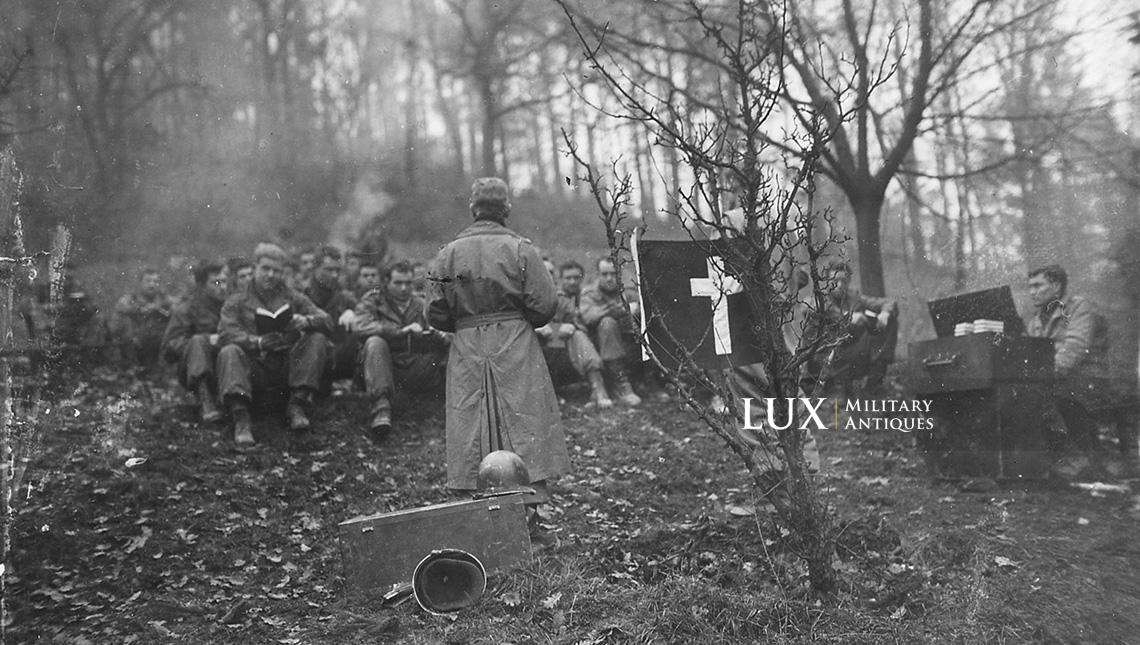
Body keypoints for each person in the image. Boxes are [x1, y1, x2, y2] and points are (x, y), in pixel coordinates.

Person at [428, 177, 570, 534]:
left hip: (467, 347)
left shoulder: (447, 254)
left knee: (470, 426)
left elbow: (434, 311)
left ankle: (475, 521)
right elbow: (546, 304)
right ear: (506, 208)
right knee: (523, 424)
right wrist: (518, 319)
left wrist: (466, 323)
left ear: (473, 209)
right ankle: (529, 522)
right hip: (514, 344)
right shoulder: (521, 249)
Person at [217, 243, 333, 446]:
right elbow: (226, 333)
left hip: (286, 370)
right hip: (254, 371)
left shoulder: (292, 295)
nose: (271, 275)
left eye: (277, 271)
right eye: (266, 269)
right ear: (254, 268)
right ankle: (241, 418)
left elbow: (326, 319)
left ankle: (297, 405)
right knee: (229, 351)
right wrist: (257, 342)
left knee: (317, 339)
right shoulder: (236, 300)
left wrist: (306, 321)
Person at [1025, 264, 1123, 473]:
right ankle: (1062, 459)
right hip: (1061, 380)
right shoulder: (1035, 323)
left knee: (1041, 395)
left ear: (1056, 285)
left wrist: (1043, 377)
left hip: (1088, 379)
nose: (1032, 292)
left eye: (1038, 285)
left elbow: (1074, 349)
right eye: (1030, 287)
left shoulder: (1079, 308)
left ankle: (1075, 459)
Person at [355, 260, 449, 439]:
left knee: (450, 344)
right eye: (398, 283)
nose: (404, 288)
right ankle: (381, 409)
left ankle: (450, 402)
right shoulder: (373, 300)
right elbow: (360, 326)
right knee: (375, 342)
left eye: (408, 283)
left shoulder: (421, 303)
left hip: (413, 365)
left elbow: (441, 327)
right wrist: (398, 332)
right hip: (380, 368)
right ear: (386, 282)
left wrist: (439, 333)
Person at [804, 259, 898, 394]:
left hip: (850, 352)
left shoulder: (854, 296)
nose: (840, 285)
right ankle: (830, 385)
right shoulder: (820, 297)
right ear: (827, 280)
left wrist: (885, 313)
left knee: (890, 320)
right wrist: (846, 316)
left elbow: (888, 302)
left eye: (844, 280)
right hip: (825, 356)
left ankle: (874, 380)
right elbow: (808, 307)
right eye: (835, 280)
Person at [536, 260, 613, 408]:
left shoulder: (586, 295)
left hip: (584, 346)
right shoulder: (551, 298)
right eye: (568, 278)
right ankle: (597, 388)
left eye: (576, 277)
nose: (572, 282)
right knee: (575, 336)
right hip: (555, 348)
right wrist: (559, 328)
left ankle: (599, 389)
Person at [161, 260, 228, 424]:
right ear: (202, 285)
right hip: (195, 371)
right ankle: (206, 400)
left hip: (227, 365)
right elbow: (168, 349)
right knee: (198, 340)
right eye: (216, 282)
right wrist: (206, 342)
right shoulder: (187, 309)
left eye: (225, 282)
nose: (223, 287)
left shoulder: (231, 306)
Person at [579, 257, 642, 406]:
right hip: (599, 347)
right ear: (598, 275)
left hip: (627, 343)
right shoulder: (590, 294)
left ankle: (652, 380)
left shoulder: (628, 292)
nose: (609, 278)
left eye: (614, 274)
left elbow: (641, 308)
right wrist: (621, 310)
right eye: (605, 274)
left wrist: (634, 309)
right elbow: (589, 317)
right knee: (607, 323)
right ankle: (621, 384)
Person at [304, 246, 359, 390]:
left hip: (338, 359)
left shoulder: (345, 297)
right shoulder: (302, 294)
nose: (335, 275)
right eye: (329, 270)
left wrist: (353, 313)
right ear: (315, 269)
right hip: (309, 360)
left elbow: (363, 310)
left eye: (337, 270)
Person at [112, 267, 175, 369]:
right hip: (136, 342)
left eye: (155, 281)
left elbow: (178, 307)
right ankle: (132, 366)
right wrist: (139, 309)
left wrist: (159, 307)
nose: (152, 285)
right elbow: (121, 307)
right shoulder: (132, 297)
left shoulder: (163, 298)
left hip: (157, 343)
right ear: (140, 283)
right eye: (148, 281)